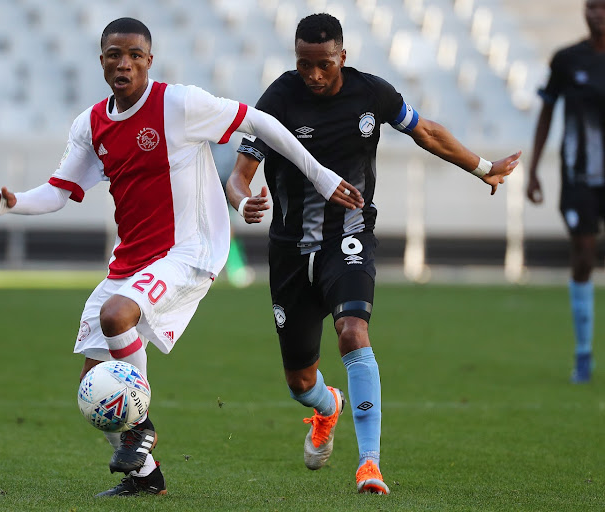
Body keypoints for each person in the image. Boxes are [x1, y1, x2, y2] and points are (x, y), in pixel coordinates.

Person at [0, 17, 362, 497]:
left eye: (135, 54)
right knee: (95, 385)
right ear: (102, 61)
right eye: (115, 54)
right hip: (131, 261)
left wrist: (321, 176)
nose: (124, 63)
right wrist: (13, 202)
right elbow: (59, 191)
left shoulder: (178, 104)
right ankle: (145, 476)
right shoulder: (91, 125)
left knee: (117, 317)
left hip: (188, 251)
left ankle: (140, 430)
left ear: (149, 61)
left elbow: (259, 122)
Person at [226, 13, 520, 495]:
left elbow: (425, 131)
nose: (313, 75)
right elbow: (239, 174)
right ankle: (327, 408)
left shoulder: (371, 94)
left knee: (352, 331)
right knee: (301, 381)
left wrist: (483, 167)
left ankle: (369, 465)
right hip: (290, 251)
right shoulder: (277, 99)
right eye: (304, 65)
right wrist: (243, 200)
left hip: (350, 236)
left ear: (342, 55)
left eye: (322, 64)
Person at [527, 0, 605, 384]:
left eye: (602, 8)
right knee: (584, 254)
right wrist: (534, 169)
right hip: (579, 178)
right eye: (591, 7)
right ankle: (584, 353)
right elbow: (546, 111)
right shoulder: (567, 59)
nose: (595, 14)